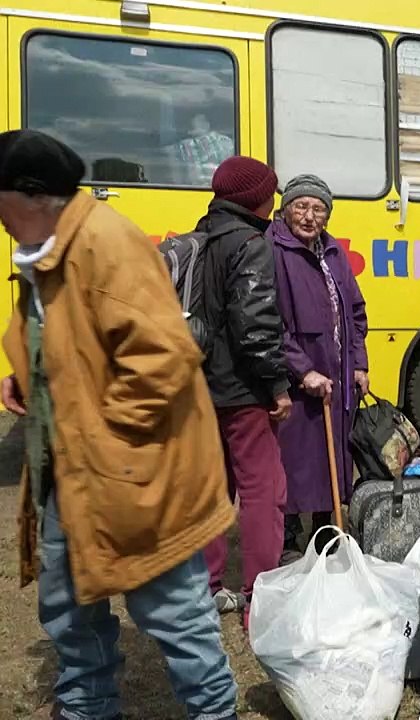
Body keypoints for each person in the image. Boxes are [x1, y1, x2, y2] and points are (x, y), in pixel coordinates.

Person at [0, 129, 240, 720]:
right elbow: (65, 338)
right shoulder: (43, 248)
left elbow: (162, 358)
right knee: (68, 607)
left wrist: (100, 438)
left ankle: (215, 713)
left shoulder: (106, 243)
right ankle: (87, 709)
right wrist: (28, 376)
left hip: (135, 474)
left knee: (176, 614)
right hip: (68, 471)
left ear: (29, 195)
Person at [195, 155, 294, 622]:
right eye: (270, 193)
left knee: (212, 491)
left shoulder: (198, 238)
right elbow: (255, 326)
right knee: (263, 490)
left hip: (198, 389)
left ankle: (207, 587)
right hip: (242, 391)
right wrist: (276, 386)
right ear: (257, 198)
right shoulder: (251, 243)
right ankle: (260, 595)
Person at [269, 175, 370, 562]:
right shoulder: (273, 249)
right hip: (298, 380)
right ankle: (288, 541)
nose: (309, 216)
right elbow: (270, 322)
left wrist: (359, 364)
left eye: (318, 209)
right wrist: (302, 370)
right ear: (286, 209)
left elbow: (356, 312)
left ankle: (327, 532)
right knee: (294, 460)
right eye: (301, 207)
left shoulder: (332, 251)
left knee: (334, 459)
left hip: (337, 377)